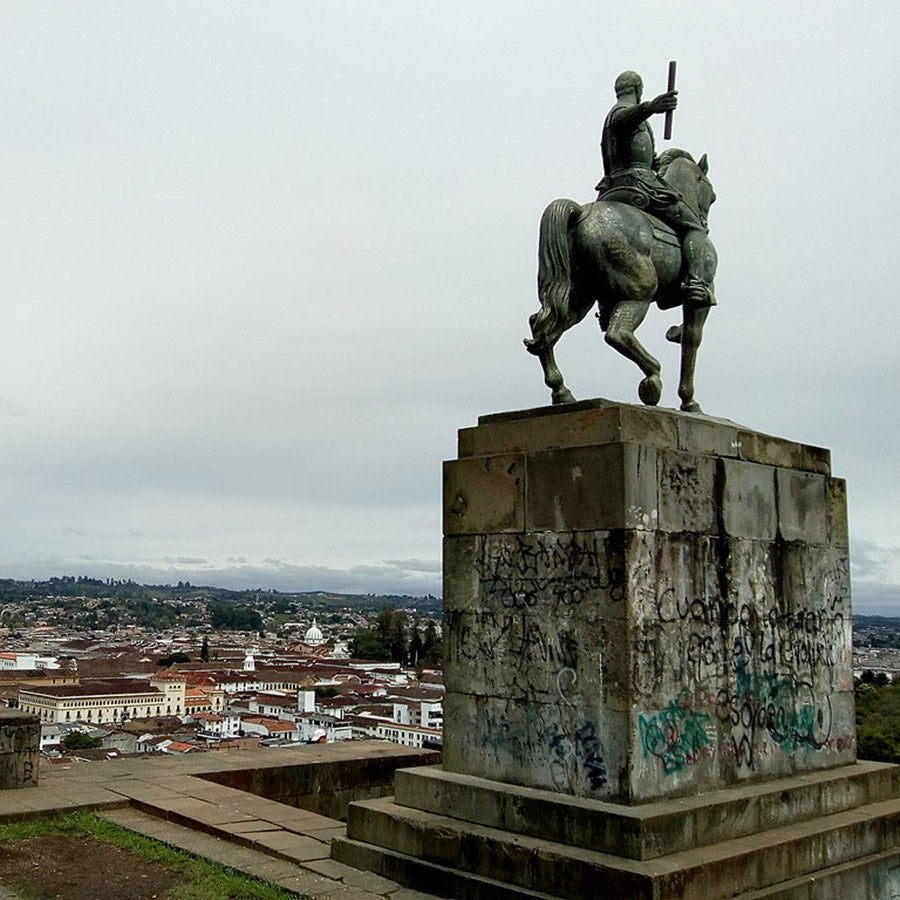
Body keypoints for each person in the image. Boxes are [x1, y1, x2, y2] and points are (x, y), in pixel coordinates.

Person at [596, 70, 715, 307]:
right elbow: (622, 120)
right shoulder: (621, 111)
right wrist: (651, 107)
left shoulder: (626, 117)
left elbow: (644, 156)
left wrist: (656, 161)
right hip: (638, 183)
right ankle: (696, 284)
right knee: (694, 226)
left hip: (613, 188)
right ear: (638, 90)